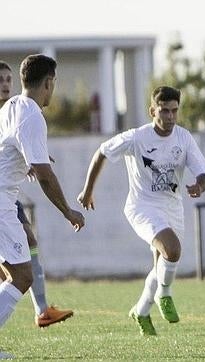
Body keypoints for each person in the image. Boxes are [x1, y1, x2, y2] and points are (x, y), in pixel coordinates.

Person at [77, 86, 205, 336]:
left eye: (174, 111)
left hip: (172, 209)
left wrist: (200, 186)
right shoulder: (137, 137)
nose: (170, 116)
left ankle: (141, 310)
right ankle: (165, 294)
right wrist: (88, 190)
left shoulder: (183, 138)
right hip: (143, 207)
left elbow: (202, 172)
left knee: (161, 264)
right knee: (172, 249)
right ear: (152, 110)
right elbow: (102, 153)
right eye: (164, 111)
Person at [0, 54, 85, 350]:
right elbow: (46, 177)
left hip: (5, 202)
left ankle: (42, 311)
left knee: (13, 273)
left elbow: (12, 148)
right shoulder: (33, 115)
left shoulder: (11, 106)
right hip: (1, 203)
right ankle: (42, 311)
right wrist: (68, 211)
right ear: (48, 82)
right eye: (54, 83)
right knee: (21, 276)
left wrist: (31, 161)